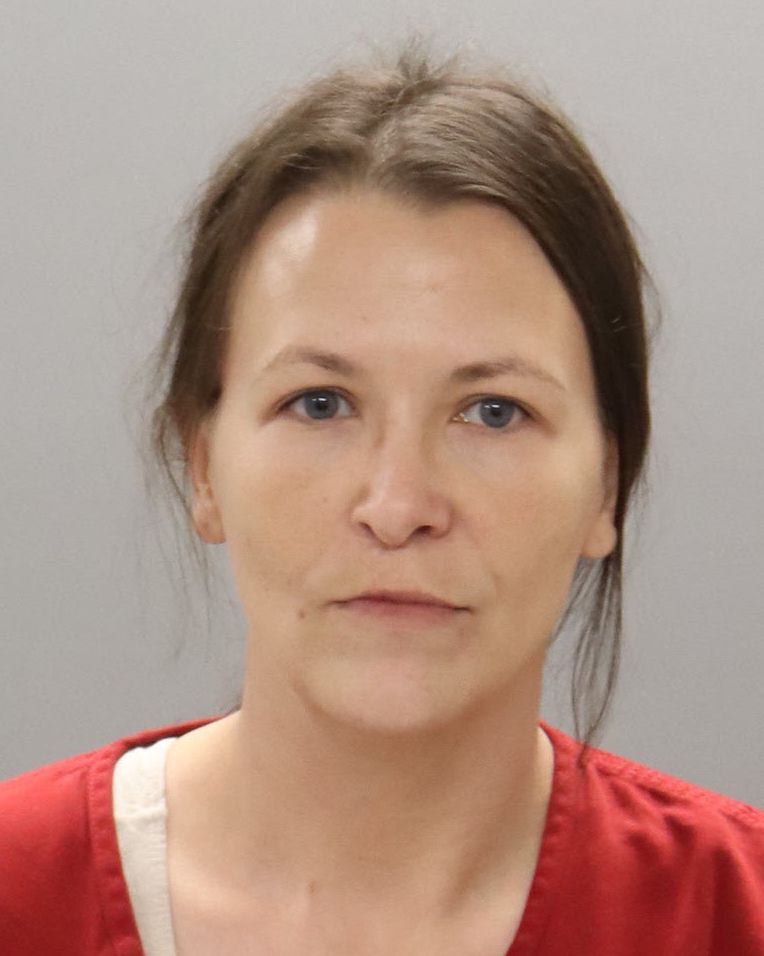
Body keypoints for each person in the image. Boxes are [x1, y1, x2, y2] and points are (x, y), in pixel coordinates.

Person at [1, 38, 762, 956]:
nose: (399, 508)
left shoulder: (735, 912)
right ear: (202, 467)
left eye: (493, 412)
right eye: (319, 403)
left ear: (607, 482)